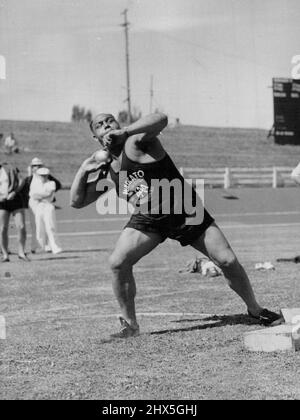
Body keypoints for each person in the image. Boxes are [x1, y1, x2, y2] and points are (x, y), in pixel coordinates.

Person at [70, 112, 282, 338]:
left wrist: (125, 132)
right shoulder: (108, 169)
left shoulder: (135, 142)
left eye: (110, 120)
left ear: (118, 125)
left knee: (227, 261)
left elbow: (161, 118)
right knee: (117, 262)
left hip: (184, 209)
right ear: (96, 138)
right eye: (100, 125)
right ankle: (130, 325)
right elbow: (77, 201)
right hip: (148, 218)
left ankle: (255, 309)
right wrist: (84, 169)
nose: (106, 125)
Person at [17, 157, 61, 253]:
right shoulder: (29, 179)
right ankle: (35, 246)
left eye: (39, 165)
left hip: (46, 203)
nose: (36, 167)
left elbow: (57, 185)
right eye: (34, 166)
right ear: (31, 167)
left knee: (49, 224)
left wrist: (48, 195)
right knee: (35, 225)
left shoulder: (48, 178)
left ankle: (49, 245)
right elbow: (25, 191)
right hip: (33, 204)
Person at [28, 167, 62, 254]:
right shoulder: (35, 184)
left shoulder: (51, 183)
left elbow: (48, 194)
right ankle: (39, 247)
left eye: (45, 176)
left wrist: (39, 195)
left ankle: (55, 246)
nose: (43, 177)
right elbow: (33, 195)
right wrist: (41, 195)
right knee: (39, 227)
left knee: (50, 226)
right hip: (39, 206)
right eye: (41, 176)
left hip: (48, 206)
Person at [0, 162, 28, 262]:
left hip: (15, 199)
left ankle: (21, 252)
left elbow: (22, 180)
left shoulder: (9, 168)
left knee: (21, 226)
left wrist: (14, 192)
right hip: (1, 203)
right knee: (2, 228)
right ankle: (5, 255)